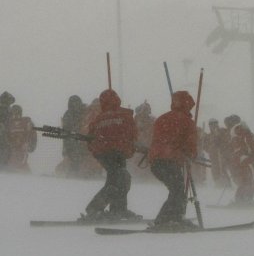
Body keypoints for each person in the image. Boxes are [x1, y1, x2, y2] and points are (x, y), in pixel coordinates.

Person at [82, 89, 139, 220]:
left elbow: (90, 137)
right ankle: (96, 208)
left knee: (116, 178)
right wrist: (129, 148)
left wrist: (98, 150)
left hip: (103, 154)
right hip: (119, 152)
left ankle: (118, 209)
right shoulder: (125, 115)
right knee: (121, 179)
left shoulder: (98, 118)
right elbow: (133, 134)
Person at [149, 91, 198, 228]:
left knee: (176, 189)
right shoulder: (187, 122)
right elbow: (190, 145)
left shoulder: (161, 119)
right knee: (177, 190)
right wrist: (191, 155)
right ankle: (168, 219)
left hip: (156, 160)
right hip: (170, 159)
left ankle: (172, 218)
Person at [225, 115, 254, 205]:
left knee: (249, 181)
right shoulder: (238, 135)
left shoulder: (245, 134)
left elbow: (253, 146)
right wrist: (248, 158)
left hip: (247, 162)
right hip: (241, 163)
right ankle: (241, 200)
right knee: (246, 181)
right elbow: (238, 151)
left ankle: (247, 199)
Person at [56, 95, 87, 177]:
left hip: (76, 148)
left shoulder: (68, 115)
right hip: (80, 147)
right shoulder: (85, 111)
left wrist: (66, 152)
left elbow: (65, 135)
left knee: (73, 169)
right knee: (75, 168)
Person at [6, 104, 36, 172]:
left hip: (20, 151)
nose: (16, 116)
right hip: (13, 150)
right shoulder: (9, 123)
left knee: (21, 165)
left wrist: (29, 146)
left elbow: (33, 136)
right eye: (14, 114)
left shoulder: (26, 123)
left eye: (17, 113)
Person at [204, 118, 231, 189]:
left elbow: (228, 140)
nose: (213, 126)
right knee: (216, 172)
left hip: (223, 156)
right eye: (211, 125)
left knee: (223, 171)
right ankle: (219, 186)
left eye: (215, 124)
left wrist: (220, 140)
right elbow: (206, 146)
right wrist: (210, 150)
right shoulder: (209, 136)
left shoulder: (222, 131)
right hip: (214, 158)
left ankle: (227, 186)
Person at [0, 91, 16, 168]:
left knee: (6, 149)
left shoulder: (9, 110)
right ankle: (3, 165)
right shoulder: (4, 109)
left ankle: (4, 165)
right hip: (4, 134)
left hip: (6, 134)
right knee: (4, 149)